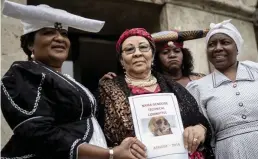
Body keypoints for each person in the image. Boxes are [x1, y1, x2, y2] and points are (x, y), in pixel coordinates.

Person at [1, 1, 146, 159]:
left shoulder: (67, 79)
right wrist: (109, 154)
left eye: (64, 33)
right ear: (30, 44)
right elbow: (38, 133)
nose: (59, 38)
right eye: (49, 32)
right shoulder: (23, 73)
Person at [98, 28, 214, 159]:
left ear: (152, 55)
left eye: (143, 47)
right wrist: (116, 151)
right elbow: (97, 137)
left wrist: (200, 130)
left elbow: (201, 121)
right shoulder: (108, 89)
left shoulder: (173, 86)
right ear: (121, 59)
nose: (137, 54)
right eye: (129, 50)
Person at [186, 19, 258, 159]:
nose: (218, 48)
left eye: (225, 42)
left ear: (237, 47)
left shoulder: (256, 72)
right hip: (229, 153)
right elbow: (202, 130)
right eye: (212, 44)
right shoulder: (198, 88)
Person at [101, 29, 208, 87]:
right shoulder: (151, 84)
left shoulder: (201, 79)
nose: (172, 55)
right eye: (165, 52)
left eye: (177, 51)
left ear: (184, 54)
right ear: (154, 58)